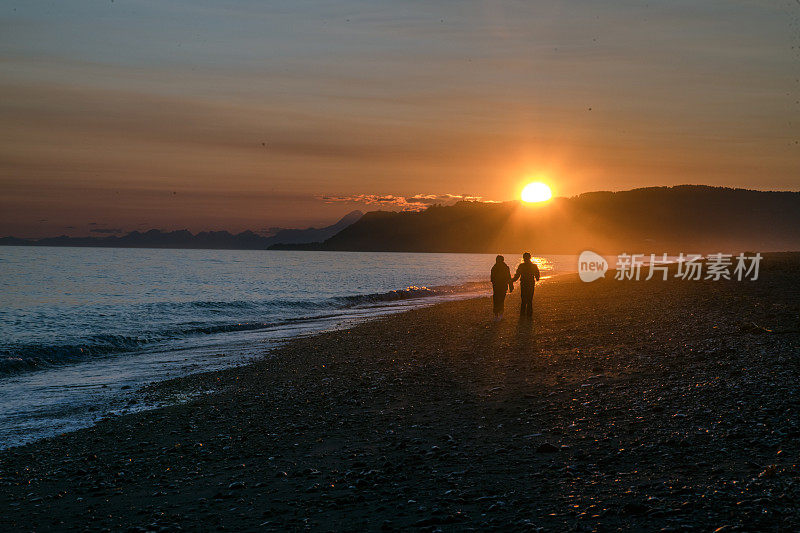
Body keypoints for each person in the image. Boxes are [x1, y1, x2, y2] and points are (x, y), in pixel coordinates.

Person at [512, 252, 540, 318]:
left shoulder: (521, 266)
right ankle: (529, 315)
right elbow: (537, 277)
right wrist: (536, 277)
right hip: (530, 284)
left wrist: (511, 280)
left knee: (523, 300)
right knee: (530, 300)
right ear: (530, 258)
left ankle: (522, 315)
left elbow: (517, 276)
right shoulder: (534, 266)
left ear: (523, 258)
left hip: (524, 284)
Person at [490, 255, 513, 321]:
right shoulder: (498, 267)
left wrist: (511, 286)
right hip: (500, 286)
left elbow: (508, 277)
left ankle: (498, 314)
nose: (497, 261)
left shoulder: (496, 267)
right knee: (499, 300)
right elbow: (508, 277)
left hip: (499, 286)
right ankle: (498, 314)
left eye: (498, 260)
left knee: (498, 300)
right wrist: (511, 286)